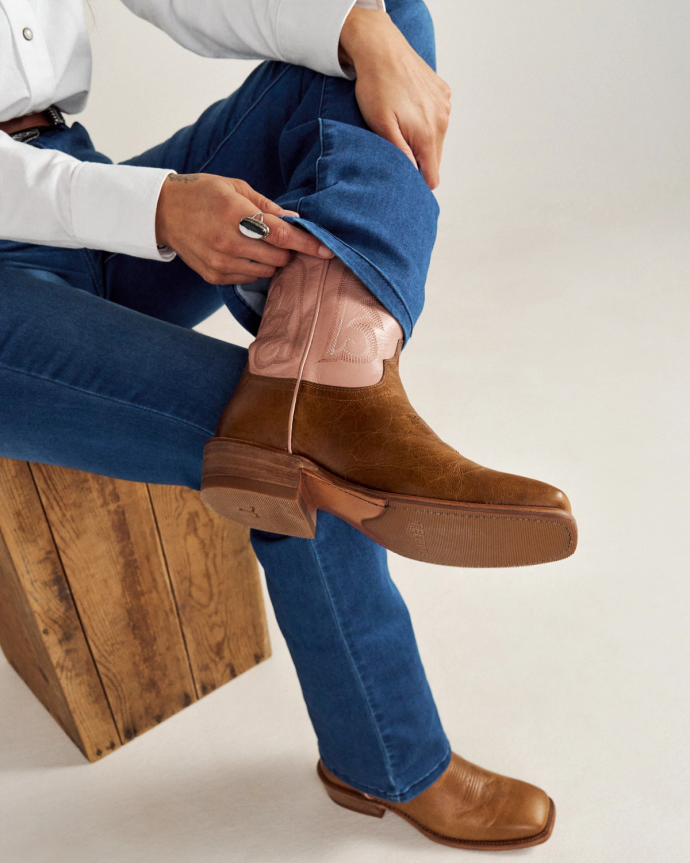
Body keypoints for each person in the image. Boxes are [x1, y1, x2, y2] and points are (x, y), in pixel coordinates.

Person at [0, 0, 576, 850]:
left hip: (71, 186)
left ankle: (332, 358)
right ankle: (389, 754)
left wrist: (349, 27)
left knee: (378, 29)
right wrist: (152, 207)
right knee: (296, 440)